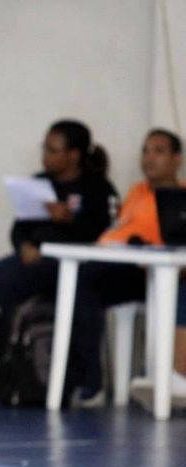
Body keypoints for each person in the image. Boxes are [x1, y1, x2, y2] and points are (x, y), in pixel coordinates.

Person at [0, 120, 117, 363]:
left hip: (69, 266)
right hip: (29, 257)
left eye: (52, 150)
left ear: (73, 155)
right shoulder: (38, 183)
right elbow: (19, 228)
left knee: (11, 292)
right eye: (44, 148)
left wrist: (69, 219)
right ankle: (6, 362)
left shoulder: (97, 187)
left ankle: (25, 371)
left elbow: (105, 235)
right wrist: (24, 246)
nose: (45, 156)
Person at [70, 129, 183, 407]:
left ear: (176, 159)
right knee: (81, 281)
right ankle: (89, 381)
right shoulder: (135, 192)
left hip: (160, 271)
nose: (149, 158)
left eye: (158, 151)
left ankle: (169, 374)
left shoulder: (182, 198)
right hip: (121, 265)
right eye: (145, 151)